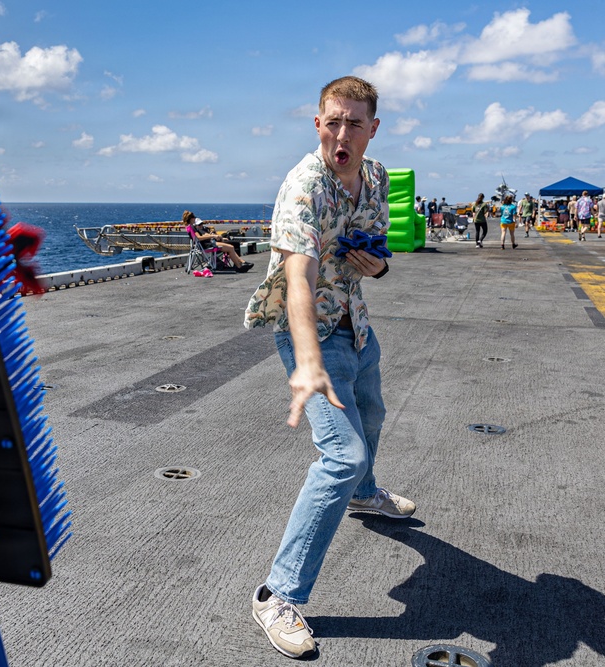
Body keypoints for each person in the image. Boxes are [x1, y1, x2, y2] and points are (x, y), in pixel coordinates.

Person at [243, 76, 415, 660]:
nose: (341, 134)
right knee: (343, 454)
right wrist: (309, 362)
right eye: (332, 122)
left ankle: (364, 495)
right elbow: (299, 278)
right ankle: (277, 595)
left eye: (354, 123)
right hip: (309, 334)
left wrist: (379, 268)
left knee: (373, 412)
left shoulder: (377, 177)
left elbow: (379, 250)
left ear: (373, 128)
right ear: (318, 123)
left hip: (354, 321)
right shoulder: (304, 188)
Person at [183, 210, 253, 272]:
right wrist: (213, 236)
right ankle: (239, 266)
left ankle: (240, 264)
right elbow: (199, 238)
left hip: (204, 245)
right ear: (191, 218)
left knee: (231, 247)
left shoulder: (189, 227)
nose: (195, 218)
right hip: (206, 245)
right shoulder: (192, 227)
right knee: (231, 248)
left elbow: (198, 237)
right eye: (194, 217)